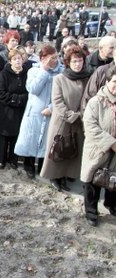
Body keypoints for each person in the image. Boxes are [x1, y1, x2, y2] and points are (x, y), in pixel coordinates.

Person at [40, 46, 90, 191]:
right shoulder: (59, 79)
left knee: (73, 149)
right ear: (68, 62)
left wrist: (81, 115)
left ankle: (67, 176)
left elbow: (88, 99)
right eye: (74, 61)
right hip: (62, 121)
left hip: (79, 121)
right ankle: (54, 177)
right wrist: (70, 115)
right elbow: (57, 101)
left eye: (80, 61)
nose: (77, 64)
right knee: (58, 148)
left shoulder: (86, 78)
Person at [14, 45, 64, 178]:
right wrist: (44, 71)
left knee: (47, 141)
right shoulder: (33, 71)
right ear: (43, 58)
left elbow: (64, 94)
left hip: (52, 112)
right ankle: (28, 165)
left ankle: (43, 167)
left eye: (56, 57)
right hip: (35, 112)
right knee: (31, 138)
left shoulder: (61, 72)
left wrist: (52, 107)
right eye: (51, 58)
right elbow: (34, 89)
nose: (55, 60)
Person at [81, 65, 116, 226]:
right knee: (93, 181)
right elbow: (91, 127)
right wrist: (111, 143)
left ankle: (111, 205)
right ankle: (91, 211)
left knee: (112, 182)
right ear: (108, 81)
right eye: (114, 81)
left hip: (114, 155)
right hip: (97, 150)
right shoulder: (96, 101)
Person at [0, 48, 29, 170]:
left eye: (19, 58)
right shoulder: (3, 74)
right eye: (14, 59)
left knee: (17, 135)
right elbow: (0, 93)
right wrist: (16, 99)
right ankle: (2, 160)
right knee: (5, 136)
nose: (17, 61)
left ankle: (14, 160)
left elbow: (30, 92)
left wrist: (22, 99)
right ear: (10, 61)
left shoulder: (28, 73)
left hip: (21, 110)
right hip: (6, 110)